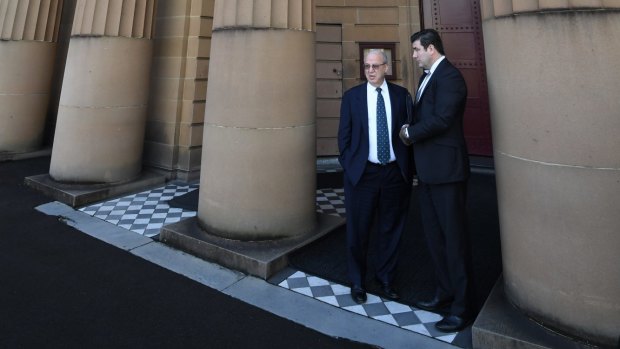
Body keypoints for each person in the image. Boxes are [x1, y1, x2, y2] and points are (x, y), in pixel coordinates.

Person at [399, 29, 471, 332]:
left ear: (430, 48)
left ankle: (461, 308)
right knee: (434, 237)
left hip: (447, 172)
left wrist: (409, 133)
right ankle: (444, 291)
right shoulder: (425, 77)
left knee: (454, 241)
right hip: (428, 172)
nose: (413, 55)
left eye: (416, 50)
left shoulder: (451, 77)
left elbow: (442, 119)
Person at [338, 49, 413, 304]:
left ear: (386, 67)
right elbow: (344, 138)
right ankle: (357, 281)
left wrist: (408, 169)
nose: (370, 70)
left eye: (375, 66)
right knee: (358, 231)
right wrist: (350, 166)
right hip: (363, 175)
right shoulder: (352, 97)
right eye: (367, 66)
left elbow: (408, 135)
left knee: (390, 229)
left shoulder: (402, 96)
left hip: (393, 173)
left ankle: (386, 278)